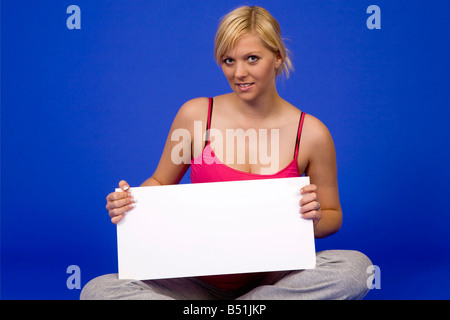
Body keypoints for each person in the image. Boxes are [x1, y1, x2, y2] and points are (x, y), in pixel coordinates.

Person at [81, 5, 372, 300]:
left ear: (278, 58)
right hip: (194, 278)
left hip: (275, 281)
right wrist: (132, 203)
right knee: (98, 290)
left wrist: (316, 217)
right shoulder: (197, 116)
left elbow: (333, 215)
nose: (239, 73)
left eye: (252, 59)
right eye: (228, 60)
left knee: (357, 270)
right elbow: (159, 182)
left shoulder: (310, 133)